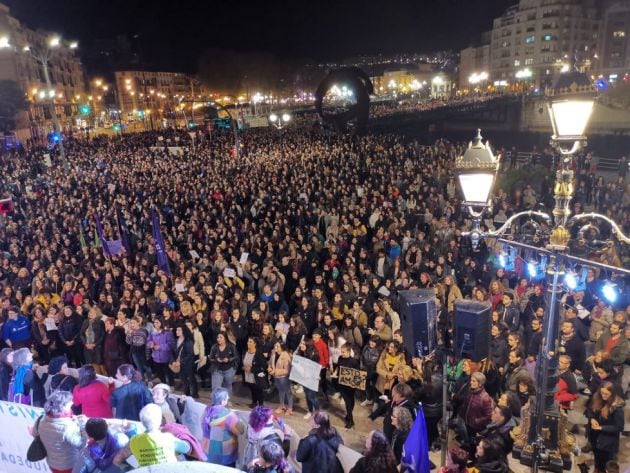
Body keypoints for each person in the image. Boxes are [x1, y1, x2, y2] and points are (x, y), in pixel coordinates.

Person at [113, 403, 190, 467]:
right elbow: (186, 448)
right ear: (160, 421)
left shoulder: (134, 441)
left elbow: (117, 460)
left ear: (142, 422)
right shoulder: (168, 438)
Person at [36, 390, 87, 473]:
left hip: (52, 463)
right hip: (69, 465)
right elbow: (81, 444)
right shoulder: (67, 426)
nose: (72, 404)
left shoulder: (41, 420)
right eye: (69, 403)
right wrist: (82, 425)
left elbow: (35, 433)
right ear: (62, 406)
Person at [587, 382, 625, 473]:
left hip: (607, 442)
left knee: (605, 464)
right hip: (595, 437)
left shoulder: (617, 408)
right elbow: (589, 410)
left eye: (606, 394)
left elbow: (619, 427)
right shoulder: (597, 397)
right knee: (597, 458)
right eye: (602, 393)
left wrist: (601, 428)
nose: (603, 396)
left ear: (612, 394)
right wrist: (592, 419)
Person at [201, 388, 245, 467]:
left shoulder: (206, 411)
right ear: (222, 401)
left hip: (208, 451)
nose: (228, 398)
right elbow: (240, 430)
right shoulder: (228, 415)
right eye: (227, 397)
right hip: (225, 454)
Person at [333, 342, 359, 428]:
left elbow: (357, 375)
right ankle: (351, 421)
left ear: (348, 352)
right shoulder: (340, 358)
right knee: (348, 402)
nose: (342, 353)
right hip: (342, 384)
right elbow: (337, 366)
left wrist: (354, 384)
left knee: (351, 401)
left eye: (343, 352)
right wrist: (335, 372)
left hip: (351, 386)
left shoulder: (354, 362)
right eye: (341, 351)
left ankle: (349, 414)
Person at [208, 331, 238, 397]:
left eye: (221, 337)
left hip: (229, 370)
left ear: (225, 339)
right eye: (218, 337)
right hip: (217, 370)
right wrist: (216, 360)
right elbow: (210, 358)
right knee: (215, 388)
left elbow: (236, 357)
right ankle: (215, 402)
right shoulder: (214, 347)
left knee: (227, 386)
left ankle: (227, 400)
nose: (218, 339)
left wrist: (229, 359)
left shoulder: (231, 346)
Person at [173, 324, 198, 398]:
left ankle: (194, 394)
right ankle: (186, 393)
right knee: (183, 379)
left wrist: (180, 362)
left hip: (188, 364)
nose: (177, 331)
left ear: (184, 331)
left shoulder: (188, 341)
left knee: (191, 379)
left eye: (179, 330)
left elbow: (190, 354)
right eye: (176, 330)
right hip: (180, 364)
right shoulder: (176, 340)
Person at [243, 336, 268, 407]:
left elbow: (264, 366)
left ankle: (260, 404)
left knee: (258, 390)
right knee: (252, 389)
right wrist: (243, 368)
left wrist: (252, 369)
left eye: (250, 342)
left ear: (255, 344)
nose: (248, 343)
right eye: (248, 341)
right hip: (248, 375)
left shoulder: (259, 354)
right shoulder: (245, 351)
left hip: (257, 376)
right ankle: (254, 402)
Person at [269, 341, 293, 415]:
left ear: (282, 348)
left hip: (284, 378)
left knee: (288, 392)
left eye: (277, 346)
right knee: (280, 391)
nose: (275, 348)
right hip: (276, 376)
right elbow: (270, 362)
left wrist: (275, 371)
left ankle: (290, 408)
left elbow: (287, 370)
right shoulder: (273, 352)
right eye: (275, 346)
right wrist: (269, 368)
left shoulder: (286, 355)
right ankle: (282, 405)